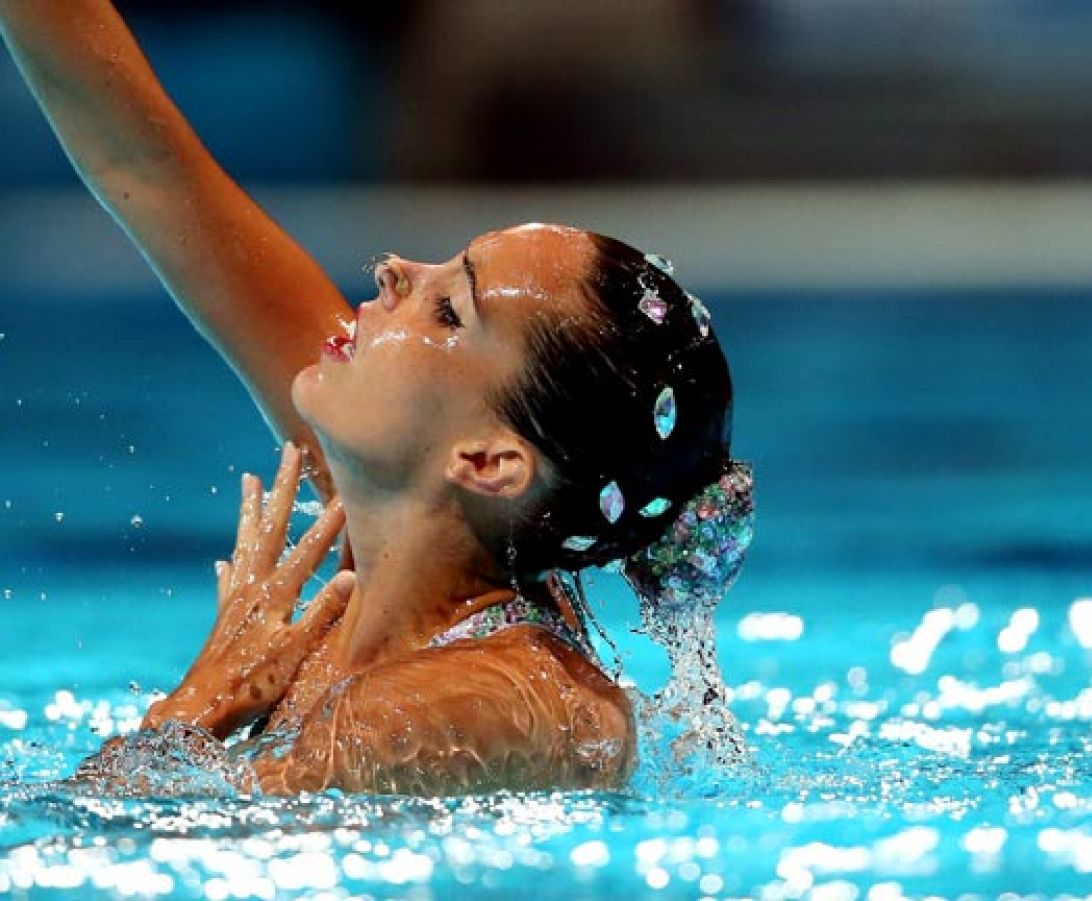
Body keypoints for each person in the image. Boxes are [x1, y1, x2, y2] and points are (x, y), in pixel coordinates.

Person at [0, 1, 753, 795]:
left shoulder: (495, 703)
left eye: (449, 308)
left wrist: (196, 706)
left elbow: (120, 837)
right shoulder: (401, 508)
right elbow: (145, 167)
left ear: (489, 459)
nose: (394, 268)